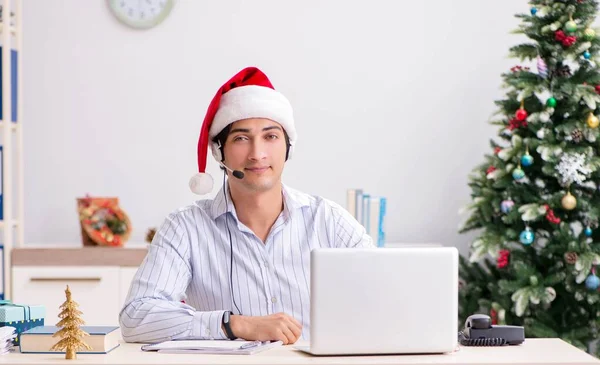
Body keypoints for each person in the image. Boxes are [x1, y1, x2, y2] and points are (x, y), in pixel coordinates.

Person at [119, 66, 374, 345]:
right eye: (241, 139)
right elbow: (136, 318)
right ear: (219, 152)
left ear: (288, 147)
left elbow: (385, 293)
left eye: (271, 136)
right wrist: (233, 324)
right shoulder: (186, 227)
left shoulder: (328, 220)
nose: (257, 154)